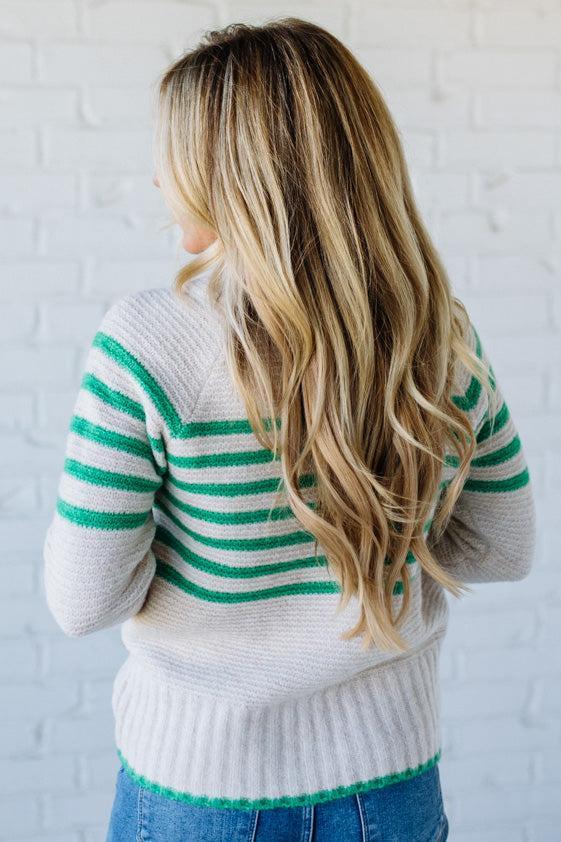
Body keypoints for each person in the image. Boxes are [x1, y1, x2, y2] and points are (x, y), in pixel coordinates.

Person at [42, 17, 536, 842]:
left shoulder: (147, 343)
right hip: (391, 790)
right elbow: (501, 546)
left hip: (198, 791)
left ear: (229, 172)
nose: (158, 182)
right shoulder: (437, 334)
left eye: (174, 156)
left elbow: (83, 601)